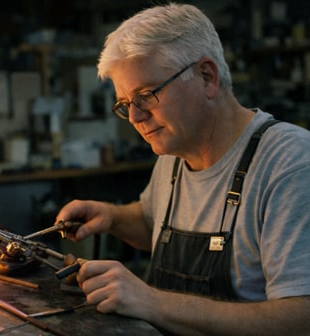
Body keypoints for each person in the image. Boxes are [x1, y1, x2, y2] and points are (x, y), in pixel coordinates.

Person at [55, 3, 310, 335]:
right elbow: (154, 223)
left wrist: (151, 301)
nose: (134, 117)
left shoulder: (290, 164)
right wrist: (114, 217)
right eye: (125, 104)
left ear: (207, 76)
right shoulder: (174, 155)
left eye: (145, 95)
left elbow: (300, 319)